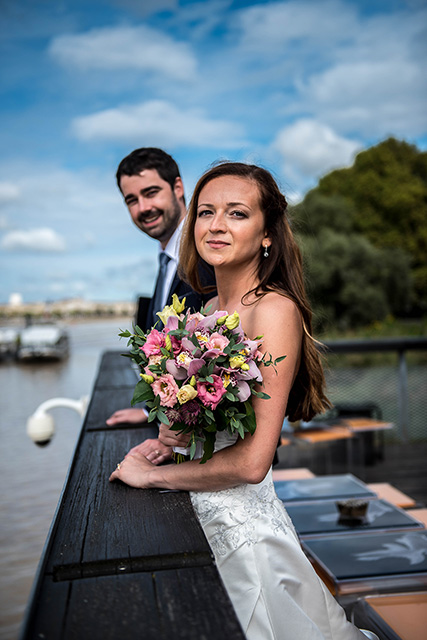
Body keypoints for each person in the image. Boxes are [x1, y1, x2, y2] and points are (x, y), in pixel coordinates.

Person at [109, 162, 377, 640]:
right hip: (198, 517)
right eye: (206, 212)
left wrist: (152, 477)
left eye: (236, 213)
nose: (215, 226)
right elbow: (211, 423)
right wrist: (172, 433)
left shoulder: (274, 310)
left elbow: (253, 462)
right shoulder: (207, 311)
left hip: (243, 532)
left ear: (267, 232)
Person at [106, 147, 215, 465]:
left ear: (178, 188)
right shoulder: (167, 258)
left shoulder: (207, 251)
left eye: (151, 193)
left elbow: (225, 353)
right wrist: (148, 408)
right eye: (132, 200)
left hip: (210, 449)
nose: (143, 207)